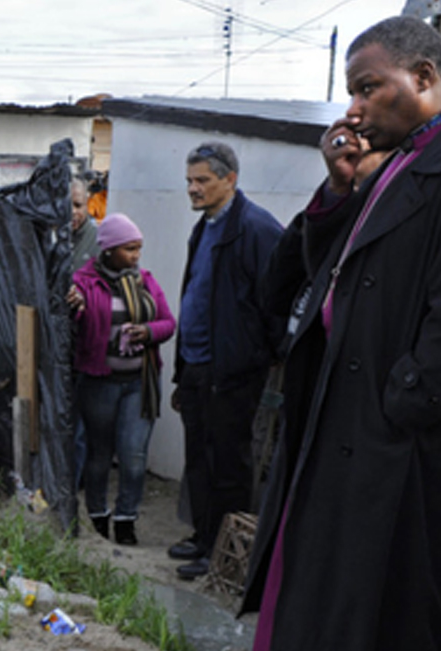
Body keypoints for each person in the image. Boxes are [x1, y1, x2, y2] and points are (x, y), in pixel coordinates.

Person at [243, 16, 441, 650]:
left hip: (396, 449)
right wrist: (339, 189)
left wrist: (396, 406)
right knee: (320, 607)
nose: (353, 108)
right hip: (342, 428)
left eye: (368, 87)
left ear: (424, 77)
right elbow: (309, 279)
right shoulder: (397, 167)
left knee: (385, 616)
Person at [168, 141, 282, 580]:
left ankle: (222, 551)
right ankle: (202, 536)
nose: (193, 189)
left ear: (229, 180)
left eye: (202, 181)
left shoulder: (255, 228)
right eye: (190, 181)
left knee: (228, 462)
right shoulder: (205, 227)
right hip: (198, 367)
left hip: (231, 371)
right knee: (198, 457)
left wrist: (259, 356)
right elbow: (195, 295)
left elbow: (276, 298)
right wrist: (182, 372)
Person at [66, 213, 174, 544]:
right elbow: (71, 328)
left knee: (134, 455)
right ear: (109, 249)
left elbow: (168, 323)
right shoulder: (83, 283)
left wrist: (147, 331)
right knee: (99, 455)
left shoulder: (145, 281)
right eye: (129, 249)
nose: (136, 256)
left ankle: (126, 520)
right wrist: (75, 308)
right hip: (99, 382)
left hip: (138, 384)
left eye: (139, 248)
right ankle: (98, 517)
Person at [69, 177, 100, 269]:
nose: (73, 211)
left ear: (87, 205)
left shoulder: (100, 241)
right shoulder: (47, 239)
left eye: (78, 205)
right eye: (66, 205)